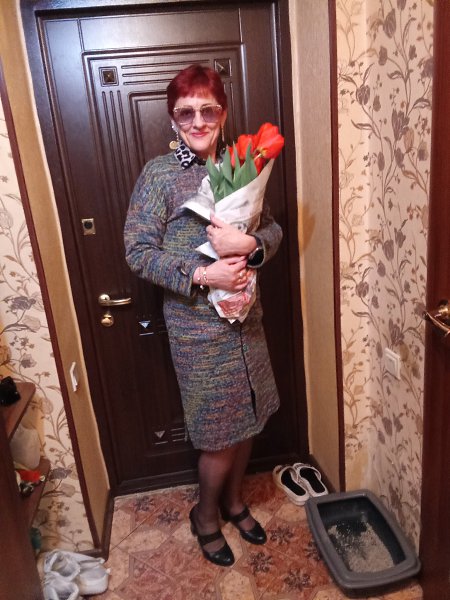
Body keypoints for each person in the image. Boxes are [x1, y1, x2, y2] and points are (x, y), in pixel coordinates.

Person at [124, 64, 282, 567]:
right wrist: (201, 273)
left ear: (223, 113)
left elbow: (272, 229)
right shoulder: (160, 175)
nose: (197, 121)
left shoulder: (245, 161)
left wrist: (250, 244)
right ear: (173, 119)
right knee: (218, 433)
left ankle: (235, 503)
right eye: (185, 112)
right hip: (197, 331)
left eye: (207, 110)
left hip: (246, 323)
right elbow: (137, 251)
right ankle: (206, 516)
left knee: (249, 419)